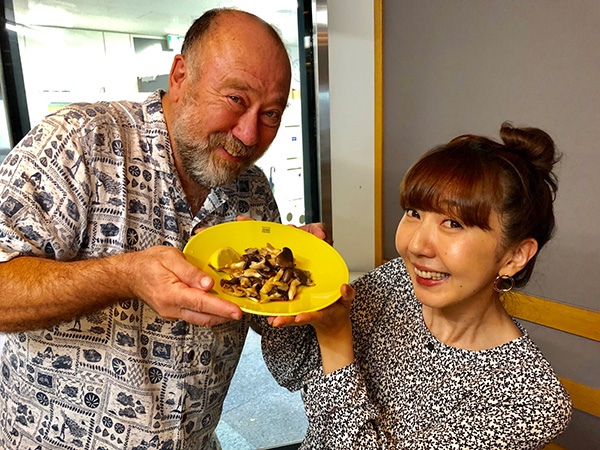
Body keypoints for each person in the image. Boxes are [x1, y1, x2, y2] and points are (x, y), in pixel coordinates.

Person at [0, 8, 328, 450]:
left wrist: (301, 289)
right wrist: (124, 276)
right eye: (236, 99)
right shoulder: (79, 141)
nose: (250, 135)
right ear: (180, 76)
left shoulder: (251, 191)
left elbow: (287, 360)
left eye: (270, 113)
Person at [261, 123, 572, 448]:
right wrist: (287, 280)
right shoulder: (395, 282)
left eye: (453, 223)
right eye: (413, 212)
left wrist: (336, 339)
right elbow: (292, 370)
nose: (416, 246)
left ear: (514, 256)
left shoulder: (532, 399)